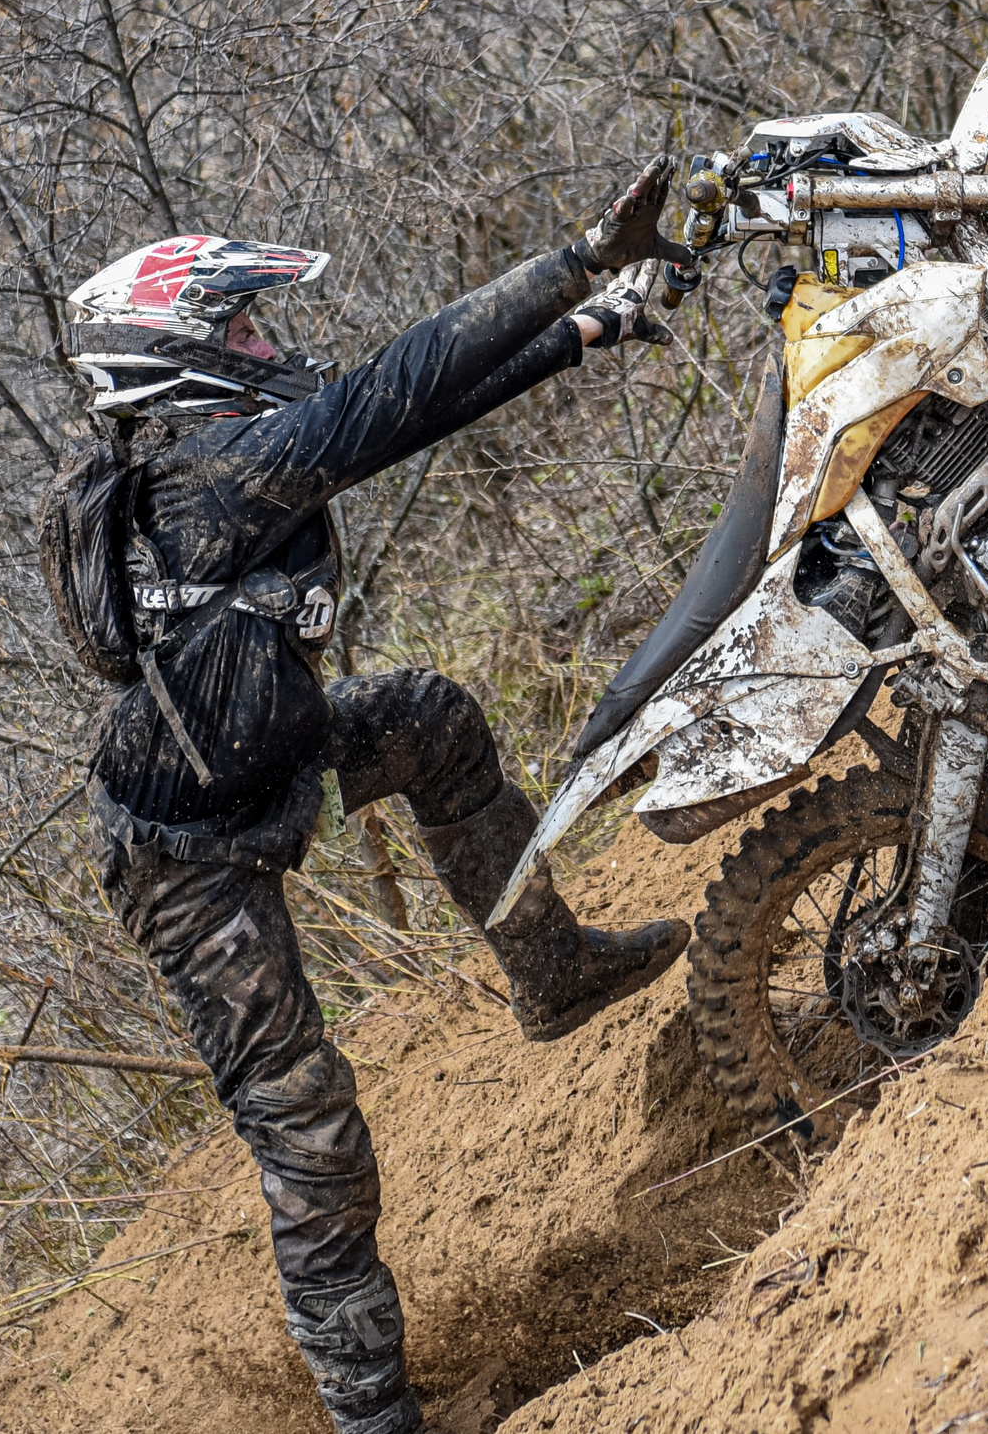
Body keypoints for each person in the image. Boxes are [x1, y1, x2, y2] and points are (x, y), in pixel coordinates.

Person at [38, 159, 691, 1434]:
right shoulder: (207, 486)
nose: (263, 343)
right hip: (184, 857)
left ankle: (550, 969)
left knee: (434, 722)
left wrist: (583, 334)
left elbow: (393, 422)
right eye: (236, 330)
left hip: (270, 755)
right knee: (310, 1129)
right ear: (178, 361)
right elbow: (384, 392)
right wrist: (578, 259)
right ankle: (372, 1415)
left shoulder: (219, 469)